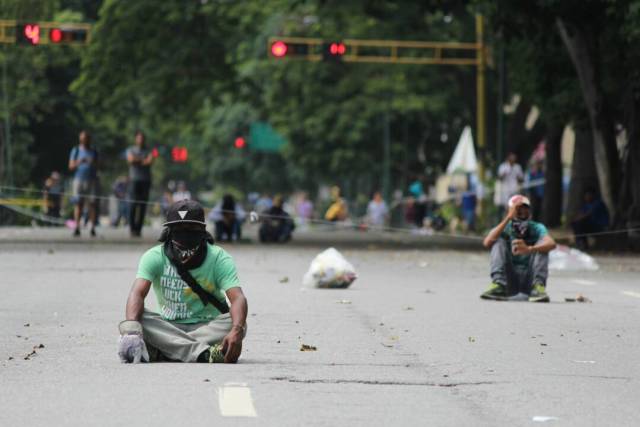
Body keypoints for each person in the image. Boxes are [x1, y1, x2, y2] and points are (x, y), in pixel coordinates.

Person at [117, 199, 248, 364]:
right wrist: (132, 332)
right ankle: (203, 353)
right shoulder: (154, 257)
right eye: (179, 229)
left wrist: (236, 330)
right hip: (168, 326)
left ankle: (165, 350)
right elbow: (137, 293)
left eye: (191, 228)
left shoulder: (219, 258)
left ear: (202, 230)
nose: (185, 233)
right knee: (137, 318)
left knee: (237, 322)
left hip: (207, 326)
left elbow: (238, 298)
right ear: (169, 231)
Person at [481, 194, 556, 302]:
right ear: (511, 210)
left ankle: (538, 288)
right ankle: (499, 285)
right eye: (518, 209)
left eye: (525, 208)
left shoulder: (536, 227)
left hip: (530, 280)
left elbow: (552, 244)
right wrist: (508, 218)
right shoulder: (505, 227)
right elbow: (487, 242)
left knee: (543, 245)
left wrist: (529, 249)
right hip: (509, 281)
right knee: (497, 240)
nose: (522, 212)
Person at [68, 130, 98, 237]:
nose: (84, 140)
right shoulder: (75, 150)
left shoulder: (94, 151)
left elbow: (100, 165)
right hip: (79, 179)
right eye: (82, 138)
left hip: (91, 179)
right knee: (78, 203)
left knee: (92, 204)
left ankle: (92, 227)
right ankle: (77, 226)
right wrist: (79, 161)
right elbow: (70, 166)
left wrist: (92, 162)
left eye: (86, 138)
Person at [127, 131, 154, 237]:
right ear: (136, 139)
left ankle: (139, 229)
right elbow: (130, 160)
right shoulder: (130, 149)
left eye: (142, 138)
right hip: (134, 180)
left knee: (143, 205)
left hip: (145, 180)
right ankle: (132, 228)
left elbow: (150, 161)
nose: (140, 140)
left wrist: (137, 160)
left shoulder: (149, 150)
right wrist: (143, 160)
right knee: (133, 204)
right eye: (139, 138)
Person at [494, 152, 524, 220]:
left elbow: (521, 179)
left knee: (514, 207)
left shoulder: (517, 167)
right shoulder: (503, 167)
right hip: (505, 191)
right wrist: (504, 174)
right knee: (506, 207)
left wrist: (518, 177)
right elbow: (499, 178)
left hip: (514, 190)